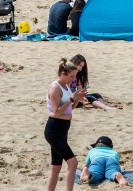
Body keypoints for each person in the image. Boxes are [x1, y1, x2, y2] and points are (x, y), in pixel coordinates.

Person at [45, 59, 85, 191]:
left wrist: (78, 98)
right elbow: (56, 112)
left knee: (56, 167)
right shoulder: (55, 88)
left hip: (62, 129)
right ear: (63, 73)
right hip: (54, 129)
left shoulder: (66, 86)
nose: (73, 80)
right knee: (73, 162)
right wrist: (72, 99)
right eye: (71, 76)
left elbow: (69, 108)